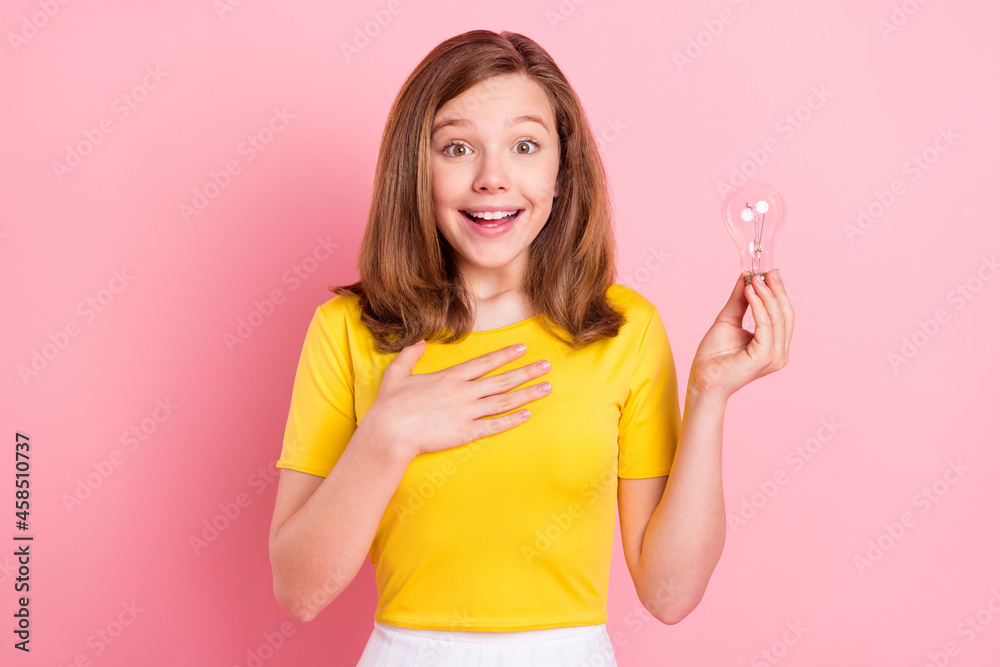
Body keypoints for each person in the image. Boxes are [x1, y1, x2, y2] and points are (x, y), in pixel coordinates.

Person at [267, 29, 794, 666]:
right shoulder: (349, 328)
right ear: (416, 166)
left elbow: (670, 593)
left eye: (524, 145)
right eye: (457, 147)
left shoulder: (624, 329)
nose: (493, 178)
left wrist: (709, 394)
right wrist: (388, 434)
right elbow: (299, 591)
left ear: (560, 168)